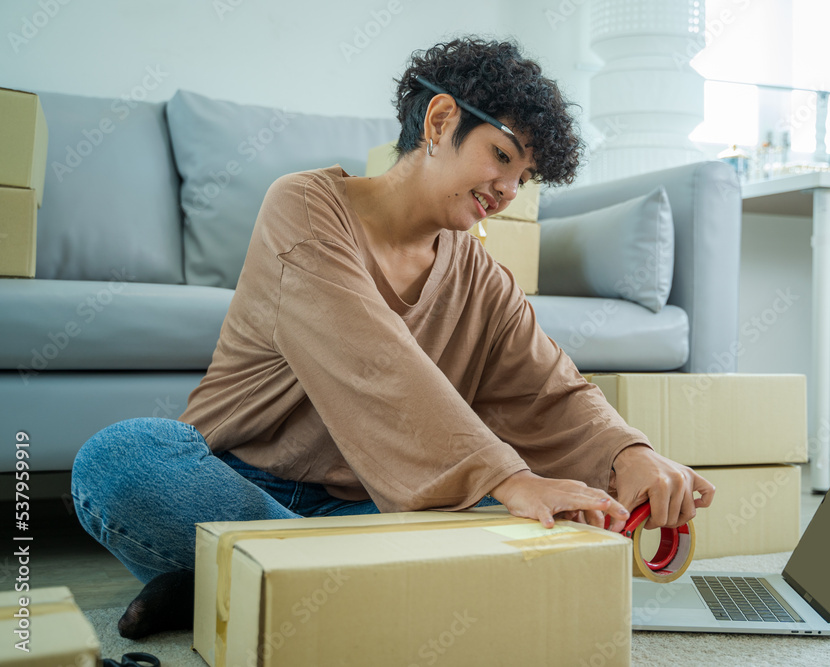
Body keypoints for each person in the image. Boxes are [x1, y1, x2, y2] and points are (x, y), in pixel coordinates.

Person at [70, 37, 715, 640]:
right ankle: (310, 577)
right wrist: (510, 479)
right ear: (438, 122)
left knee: (521, 518)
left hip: (374, 509)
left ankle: (244, 576)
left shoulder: (482, 277)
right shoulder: (304, 207)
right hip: (234, 479)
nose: (510, 191)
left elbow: (550, 388)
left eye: (525, 177)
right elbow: (375, 360)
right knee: (121, 458)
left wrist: (628, 455)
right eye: (502, 157)